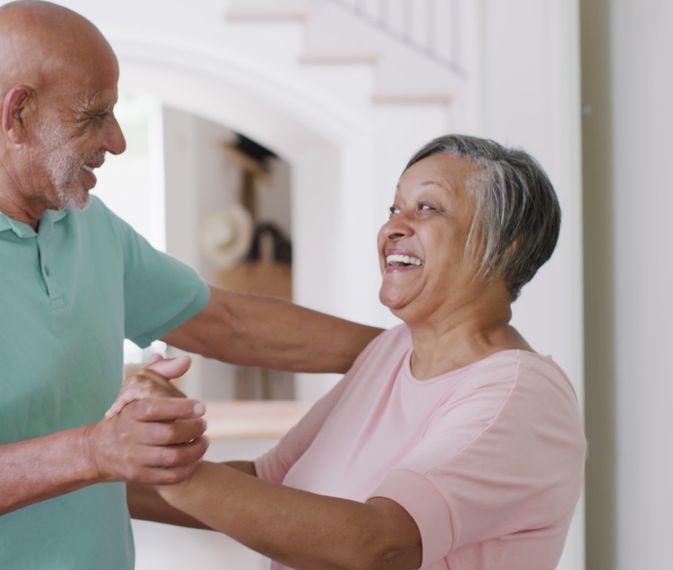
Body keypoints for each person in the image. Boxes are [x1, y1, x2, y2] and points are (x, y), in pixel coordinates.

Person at [0, 2, 380, 569]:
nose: (118, 140)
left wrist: (420, 352)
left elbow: (227, 323)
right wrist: (95, 450)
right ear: (17, 114)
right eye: (93, 115)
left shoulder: (85, 224)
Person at [122, 134, 587, 570]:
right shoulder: (391, 351)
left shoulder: (521, 398)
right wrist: (105, 467)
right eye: (395, 206)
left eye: (427, 208)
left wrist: (181, 478)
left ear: (506, 246)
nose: (393, 227)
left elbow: (381, 545)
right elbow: (270, 482)